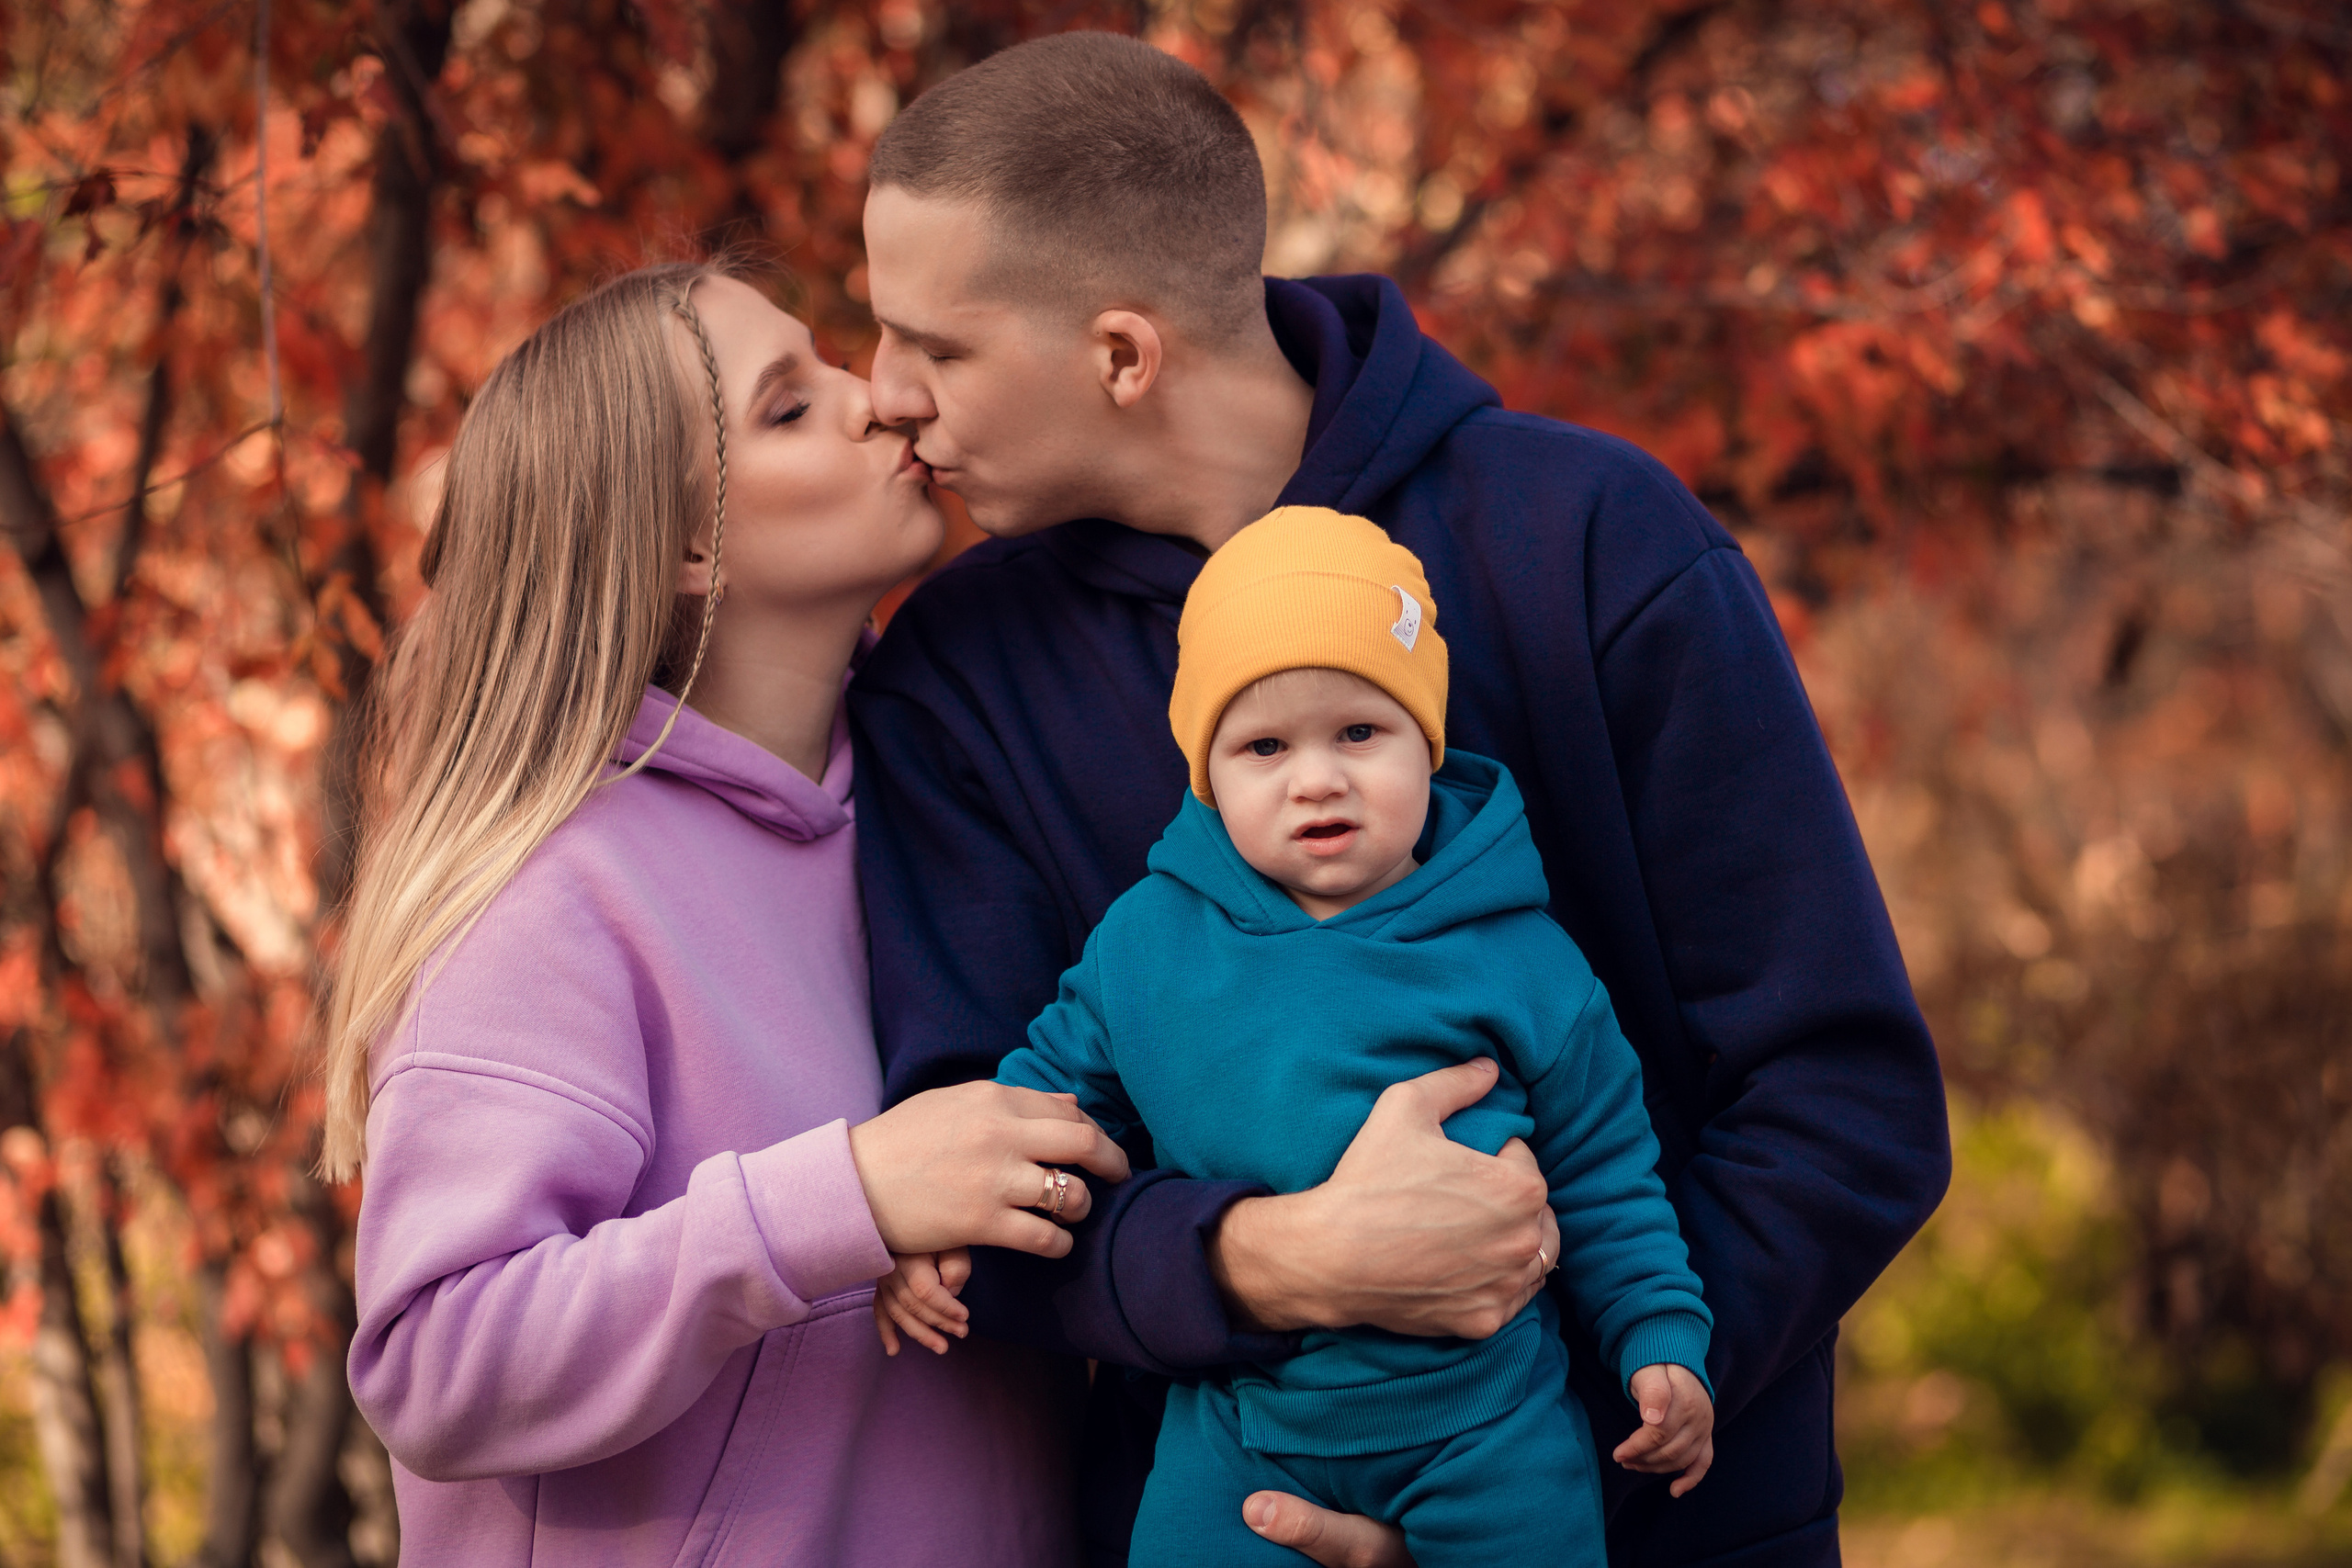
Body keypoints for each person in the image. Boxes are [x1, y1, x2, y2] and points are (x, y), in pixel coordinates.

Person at [847, 31, 1951, 1568]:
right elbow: (981, 1185)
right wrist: (1263, 1265)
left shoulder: (1596, 543)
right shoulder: (956, 677)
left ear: (1119, 354)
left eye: (934, 347)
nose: (884, 396)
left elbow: (1844, 1103)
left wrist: (1514, 1454)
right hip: (1234, 1524)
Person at [322, 262, 1130, 1565]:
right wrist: (842, 1198)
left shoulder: (951, 806)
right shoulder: (554, 892)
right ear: (687, 545)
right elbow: (436, 1359)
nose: (875, 399)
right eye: (789, 407)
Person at [883, 506, 1717, 1566]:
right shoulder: (1148, 945)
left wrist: (1659, 1342)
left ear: (1428, 743)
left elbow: (1605, 1173)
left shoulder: (1519, 955)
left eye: (1358, 733)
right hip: (1241, 1430)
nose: (1314, 778)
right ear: (1207, 773)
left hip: (1489, 1432)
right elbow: (1035, 1109)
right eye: (1264, 746)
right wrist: (941, 1224)